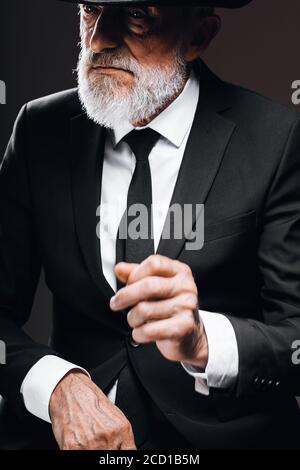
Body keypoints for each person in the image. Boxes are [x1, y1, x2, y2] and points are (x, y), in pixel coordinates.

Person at [0, 0, 300, 450]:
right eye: (91, 9)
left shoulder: (278, 138)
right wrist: (56, 386)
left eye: (137, 14)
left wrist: (203, 339)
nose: (98, 39)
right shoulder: (38, 128)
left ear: (198, 37)